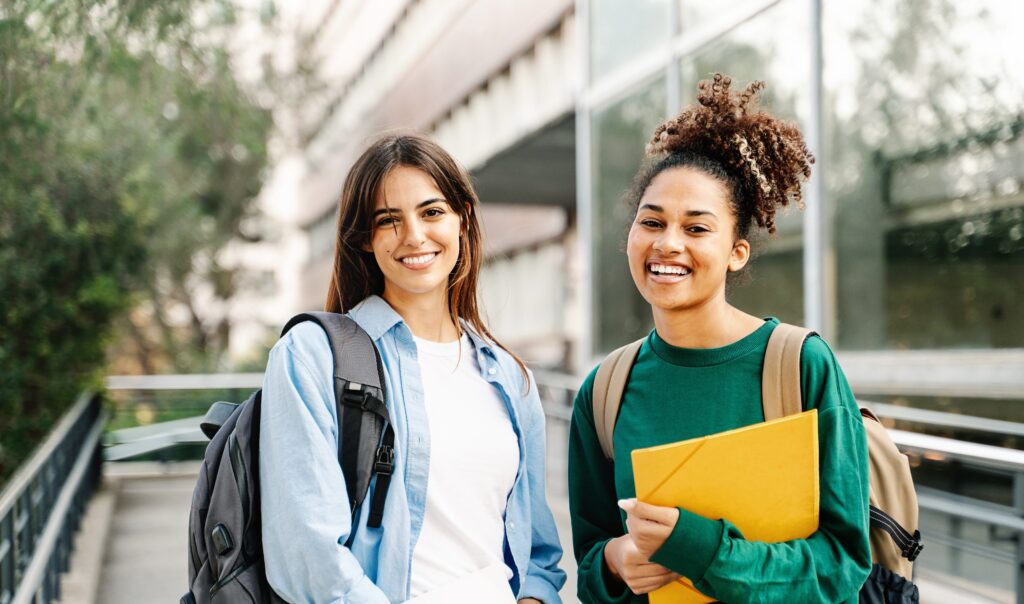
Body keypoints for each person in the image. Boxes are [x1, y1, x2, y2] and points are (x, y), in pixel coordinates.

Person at [568, 74, 871, 603]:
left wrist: (705, 550)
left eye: (696, 228)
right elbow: (591, 565)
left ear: (736, 252)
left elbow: (843, 564)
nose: (668, 244)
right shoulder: (603, 391)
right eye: (652, 222)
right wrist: (614, 564)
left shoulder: (800, 366)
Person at [259, 134, 565, 603]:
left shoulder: (509, 377)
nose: (415, 236)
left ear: (462, 217)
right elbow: (308, 556)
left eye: (432, 212)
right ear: (364, 238)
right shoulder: (312, 356)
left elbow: (537, 553)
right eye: (388, 220)